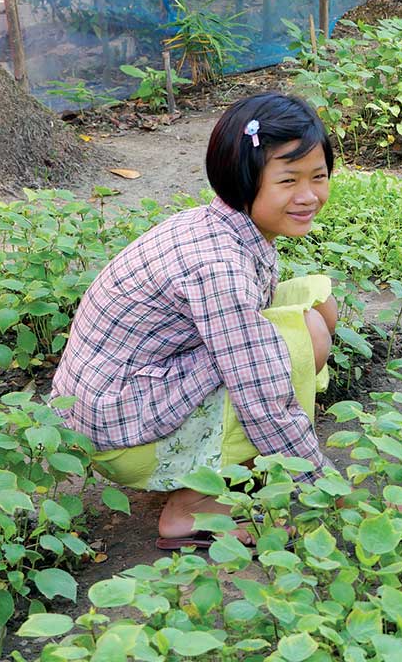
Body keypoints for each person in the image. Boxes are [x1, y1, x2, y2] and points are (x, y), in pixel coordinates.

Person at [51, 92, 339, 548]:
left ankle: (226, 467)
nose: (308, 196)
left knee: (318, 305)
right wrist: (323, 487)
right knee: (303, 339)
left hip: (128, 394)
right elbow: (260, 391)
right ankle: (191, 510)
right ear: (243, 180)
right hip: (123, 431)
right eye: (288, 180)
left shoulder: (219, 224)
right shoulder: (218, 264)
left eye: (318, 177)